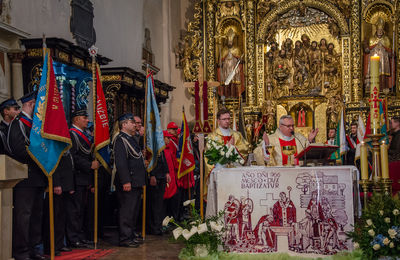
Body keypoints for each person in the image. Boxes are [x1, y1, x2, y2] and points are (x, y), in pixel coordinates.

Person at [7, 91, 47, 260]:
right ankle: (21, 251)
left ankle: (34, 248)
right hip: (24, 177)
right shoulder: (18, 123)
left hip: (38, 177)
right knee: (24, 217)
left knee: (36, 216)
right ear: (31, 104)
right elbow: (17, 148)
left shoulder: (34, 125)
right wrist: (39, 155)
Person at [113, 113, 146, 247]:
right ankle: (125, 238)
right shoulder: (120, 139)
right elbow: (121, 163)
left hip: (136, 180)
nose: (134, 125)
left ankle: (131, 234)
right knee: (127, 211)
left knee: (134, 210)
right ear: (124, 124)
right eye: (131, 122)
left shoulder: (131, 138)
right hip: (129, 181)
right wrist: (126, 181)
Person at [69, 110, 100, 248]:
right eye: (84, 118)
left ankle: (79, 236)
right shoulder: (72, 134)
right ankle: (72, 238)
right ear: (76, 120)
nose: (87, 120)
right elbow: (73, 157)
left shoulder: (83, 135)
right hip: (76, 177)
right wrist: (89, 165)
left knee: (81, 210)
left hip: (84, 178)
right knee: (74, 210)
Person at [204, 108, 249, 197]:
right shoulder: (212, 136)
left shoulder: (237, 135)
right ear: (218, 121)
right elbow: (210, 156)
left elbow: (244, 149)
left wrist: (234, 148)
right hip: (220, 172)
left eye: (228, 119)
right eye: (224, 119)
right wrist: (227, 147)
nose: (227, 121)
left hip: (235, 173)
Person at [254, 115, 318, 166]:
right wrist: (266, 146)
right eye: (288, 126)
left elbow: (307, 155)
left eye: (293, 126)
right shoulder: (271, 139)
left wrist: (309, 140)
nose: (292, 128)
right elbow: (259, 153)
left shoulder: (299, 138)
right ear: (281, 126)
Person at [43, 152, 74, 255]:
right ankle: (50, 246)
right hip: (57, 184)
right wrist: (56, 183)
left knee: (61, 217)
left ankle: (59, 244)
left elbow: (69, 163)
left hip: (65, 184)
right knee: (53, 217)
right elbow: (52, 162)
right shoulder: (53, 140)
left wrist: (70, 185)